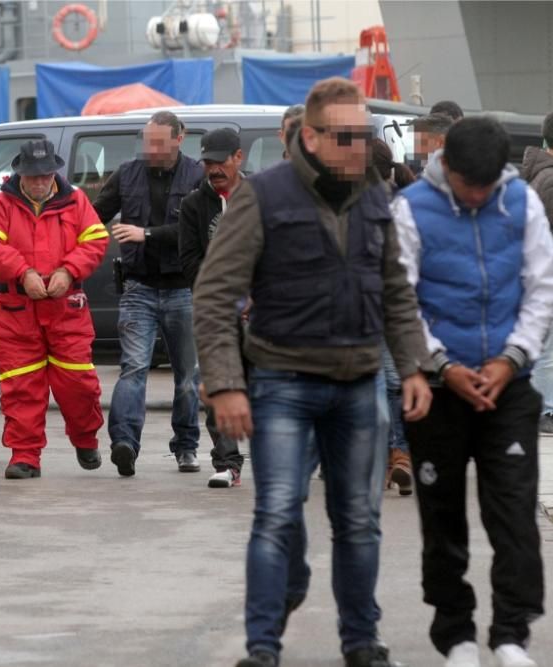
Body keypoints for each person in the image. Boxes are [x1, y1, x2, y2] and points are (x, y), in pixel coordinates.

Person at [193, 77, 433, 667]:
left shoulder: (376, 195)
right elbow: (216, 292)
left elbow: (397, 292)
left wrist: (414, 369)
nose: (359, 147)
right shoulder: (265, 196)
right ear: (310, 137)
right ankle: (263, 649)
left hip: (359, 386)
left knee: (359, 522)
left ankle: (361, 644)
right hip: (283, 384)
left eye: (365, 136)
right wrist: (225, 383)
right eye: (346, 137)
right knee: (277, 514)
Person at [394, 117, 552, 667]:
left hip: (509, 384)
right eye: (469, 186)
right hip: (438, 386)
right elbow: (401, 299)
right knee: (442, 519)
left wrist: (511, 360)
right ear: (447, 166)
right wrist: (442, 363)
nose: (479, 196)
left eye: (489, 186)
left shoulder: (523, 204)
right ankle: (455, 634)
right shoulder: (411, 207)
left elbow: (541, 288)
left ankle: (511, 634)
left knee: (513, 514)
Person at [0, 139, 109, 479]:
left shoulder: (76, 199)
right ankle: (25, 456)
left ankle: (85, 438)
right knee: (21, 385)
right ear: (20, 172)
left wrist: (68, 271)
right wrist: (23, 273)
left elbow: (95, 240)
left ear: (54, 172)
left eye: (45, 175)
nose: (39, 182)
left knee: (78, 383)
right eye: (33, 176)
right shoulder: (1, 201)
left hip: (67, 309)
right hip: (18, 309)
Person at [93, 111, 204, 477]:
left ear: (179, 138)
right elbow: (93, 217)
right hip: (138, 287)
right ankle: (124, 444)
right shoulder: (127, 173)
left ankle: (186, 447)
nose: (151, 149)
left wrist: (148, 234)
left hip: (183, 290)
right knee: (133, 369)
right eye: (147, 141)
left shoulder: (198, 176)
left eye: (158, 142)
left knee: (188, 375)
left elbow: (199, 231)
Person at [178, 128, 246, 488]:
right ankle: (227, 462)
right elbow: (189, 262)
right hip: (214, 309)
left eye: (221, 161)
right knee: (212, 381)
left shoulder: (260, 198)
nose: (214, 169)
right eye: (208, 162)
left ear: (239, 158)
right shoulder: (193, 206)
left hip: (263, 309)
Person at [371, 138, 418, 495]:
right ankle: (398, 455)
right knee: (394, 381)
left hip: (375, 306)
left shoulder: (370, 205)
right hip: (400, 305)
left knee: (383, 383)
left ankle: (394, 456)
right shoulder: (406, 201)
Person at [521, 110, 553, 433]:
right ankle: (545, 410)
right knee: (548, 344)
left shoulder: (537, 174)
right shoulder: (551, 178)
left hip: (537, 269)